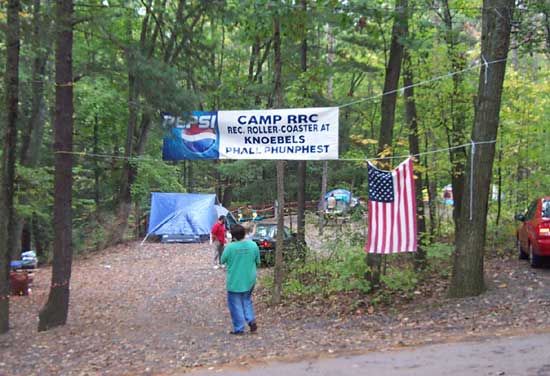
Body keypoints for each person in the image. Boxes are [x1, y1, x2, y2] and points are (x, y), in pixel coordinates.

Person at [220, 224, 260, 335]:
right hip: (249, 279)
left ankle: (239, 328)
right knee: (246, 300)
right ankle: (251, 320)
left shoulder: (230, 247)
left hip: (235, 280)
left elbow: (222, 260)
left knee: (235, 304)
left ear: (233, 236)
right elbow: (258, 261)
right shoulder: (253, 245)